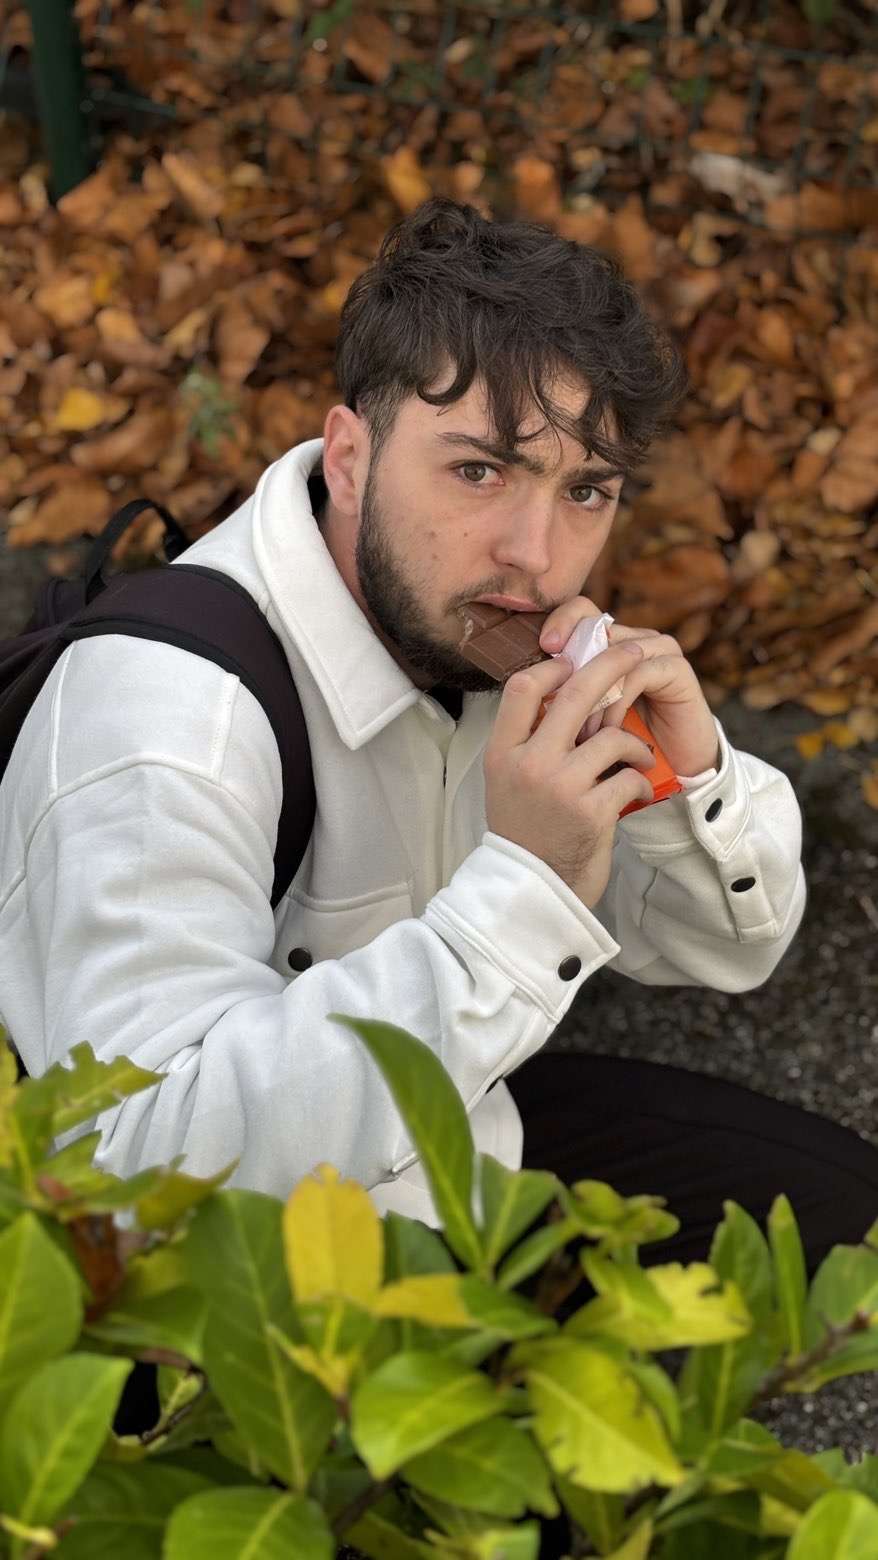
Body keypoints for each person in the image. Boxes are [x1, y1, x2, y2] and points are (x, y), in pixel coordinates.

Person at [2, 196, 876, 1277]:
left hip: (452, 1137)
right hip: (237, 1285)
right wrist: (527, 887)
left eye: (585, 489)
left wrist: (685, 782)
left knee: (844, 1222)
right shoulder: (170, 724)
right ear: (349, 457)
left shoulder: (479, 635)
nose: (535, 555)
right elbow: (134, 1173)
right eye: (478, 471)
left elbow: (727, 950)